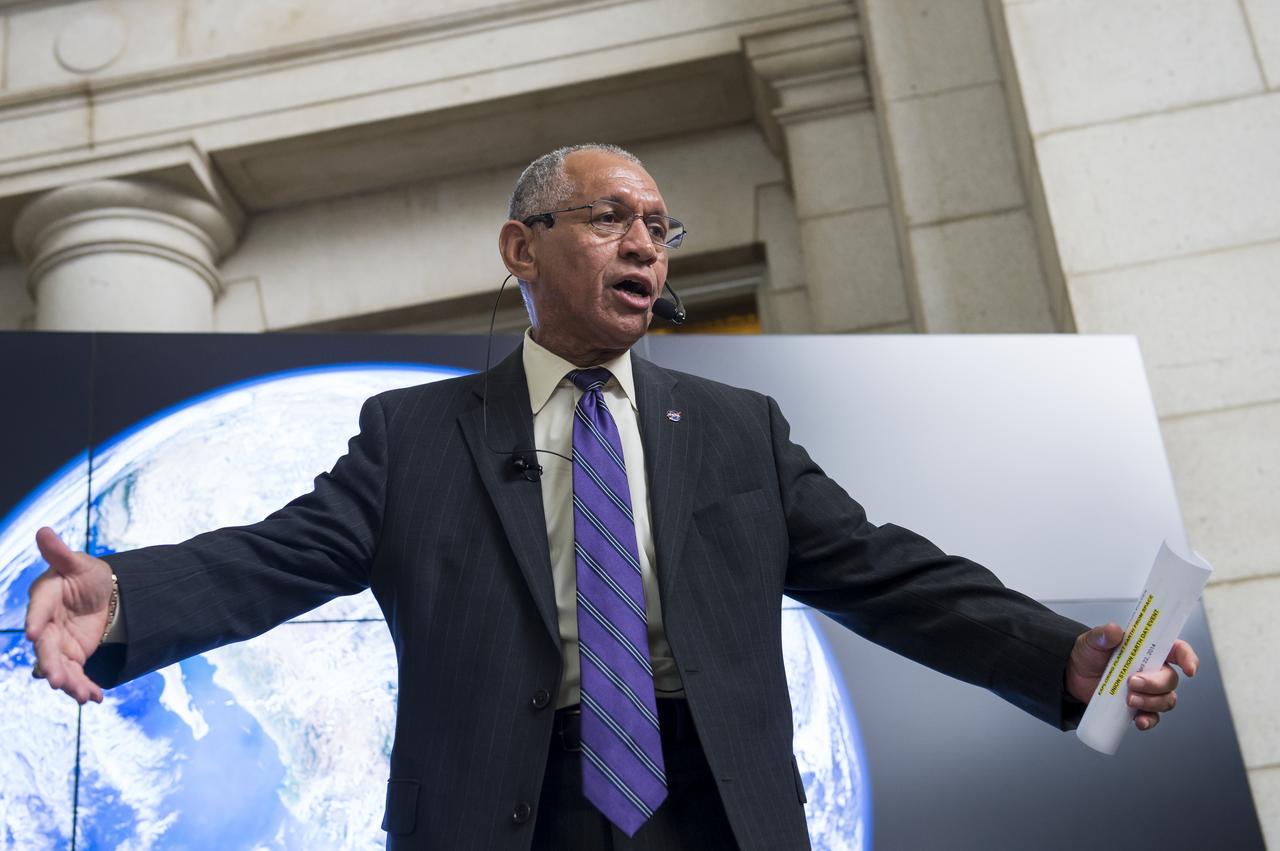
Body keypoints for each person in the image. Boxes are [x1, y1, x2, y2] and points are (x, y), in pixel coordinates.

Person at [25, 143, 1198, 850]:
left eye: (658, 226)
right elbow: (278, 554)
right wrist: (122, 597)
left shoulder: (736, 431)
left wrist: (1059, 653)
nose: (645, 244)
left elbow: (890, 573)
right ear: (520, 249)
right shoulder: (415, 435)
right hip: (508, 804)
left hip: (711, 801)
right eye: (609, 218)